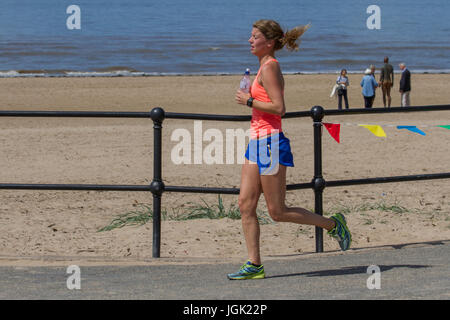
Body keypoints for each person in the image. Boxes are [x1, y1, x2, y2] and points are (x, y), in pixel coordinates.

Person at [229, 19, 351, 280]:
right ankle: (254, 265)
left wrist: (248, 99)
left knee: (277, 211)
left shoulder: (270, 67)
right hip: (256, 142)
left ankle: (333, 224)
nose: (249, 40)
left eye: (254, 36)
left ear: (269, 42)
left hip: (271, 142)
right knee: (245, 205)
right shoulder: (262, 66)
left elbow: (279, 108)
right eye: (250, 36)